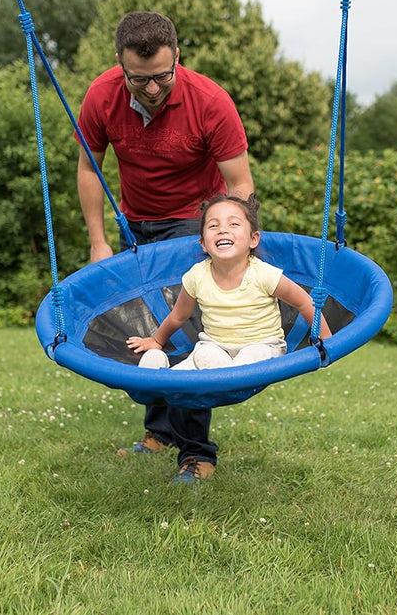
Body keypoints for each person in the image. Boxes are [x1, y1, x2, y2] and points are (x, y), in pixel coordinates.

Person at [76, 11, 254, 483]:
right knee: (146, 328)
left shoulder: (210, 102)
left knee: (187, 330)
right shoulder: (101, 95)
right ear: (120, 64)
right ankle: (159, 432)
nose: (152, 89)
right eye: (139, 79)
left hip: (195, 227)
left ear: (177, 56)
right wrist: (98, 242)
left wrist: (229, 245)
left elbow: (240, 183)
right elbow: (90, 169)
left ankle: (197, 453)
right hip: (135, 225)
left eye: (162, 76)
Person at [127, 194, 332, 483]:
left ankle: (219, 378)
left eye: (233, 224)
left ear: (253, 239)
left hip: (262, 347)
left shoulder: (264, 274)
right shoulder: (197, 276)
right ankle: (155, 377)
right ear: (203, 242)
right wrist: (157, 342)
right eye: (213, 226)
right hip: (214, 346)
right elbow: (177, 316)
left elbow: (304, 302)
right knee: (188, 370)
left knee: (246, 361)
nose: (222, 229)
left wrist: (325, 339)